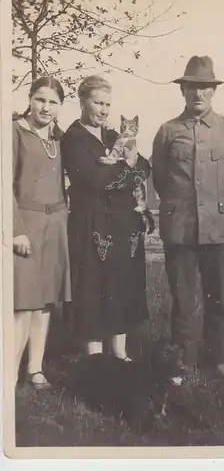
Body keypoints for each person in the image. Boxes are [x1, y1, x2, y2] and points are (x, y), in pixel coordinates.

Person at [152, 56, 224, 385]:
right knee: (182, 298)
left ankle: (219, 362)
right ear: (183, 91)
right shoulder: (167, 131)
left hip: (218, 229)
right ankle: (182, 364)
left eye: (204, 88)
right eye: (192, 87)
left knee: (218, 297)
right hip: (180, 228)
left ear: (213, 91)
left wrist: (218, 207)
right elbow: (162, 180)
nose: (198, 94)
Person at [61, 75, 150, 361]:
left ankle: (120, 354)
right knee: (93, 287)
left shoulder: (113, 135)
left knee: (120, 285)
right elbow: (94, 179)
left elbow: (145, 167)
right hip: (93, 224)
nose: (103, 110)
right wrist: (129, 168)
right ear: (82, 101)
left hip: (123, 224)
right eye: (97, 102)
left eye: (107, 104)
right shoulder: (73, 139)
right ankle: (95, 360)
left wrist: (132, 165)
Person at [13, 76, 71, 390]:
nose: (45, 107)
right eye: (40, 99)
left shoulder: (59, 137)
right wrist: (16, 231)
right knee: (23, 302)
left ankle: (35, 369)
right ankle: (9, 372)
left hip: (56, 223)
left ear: (60, 106)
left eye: (53, 102)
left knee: (45, 301)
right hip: (25, 225)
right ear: (30, 99)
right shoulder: (13, 132)